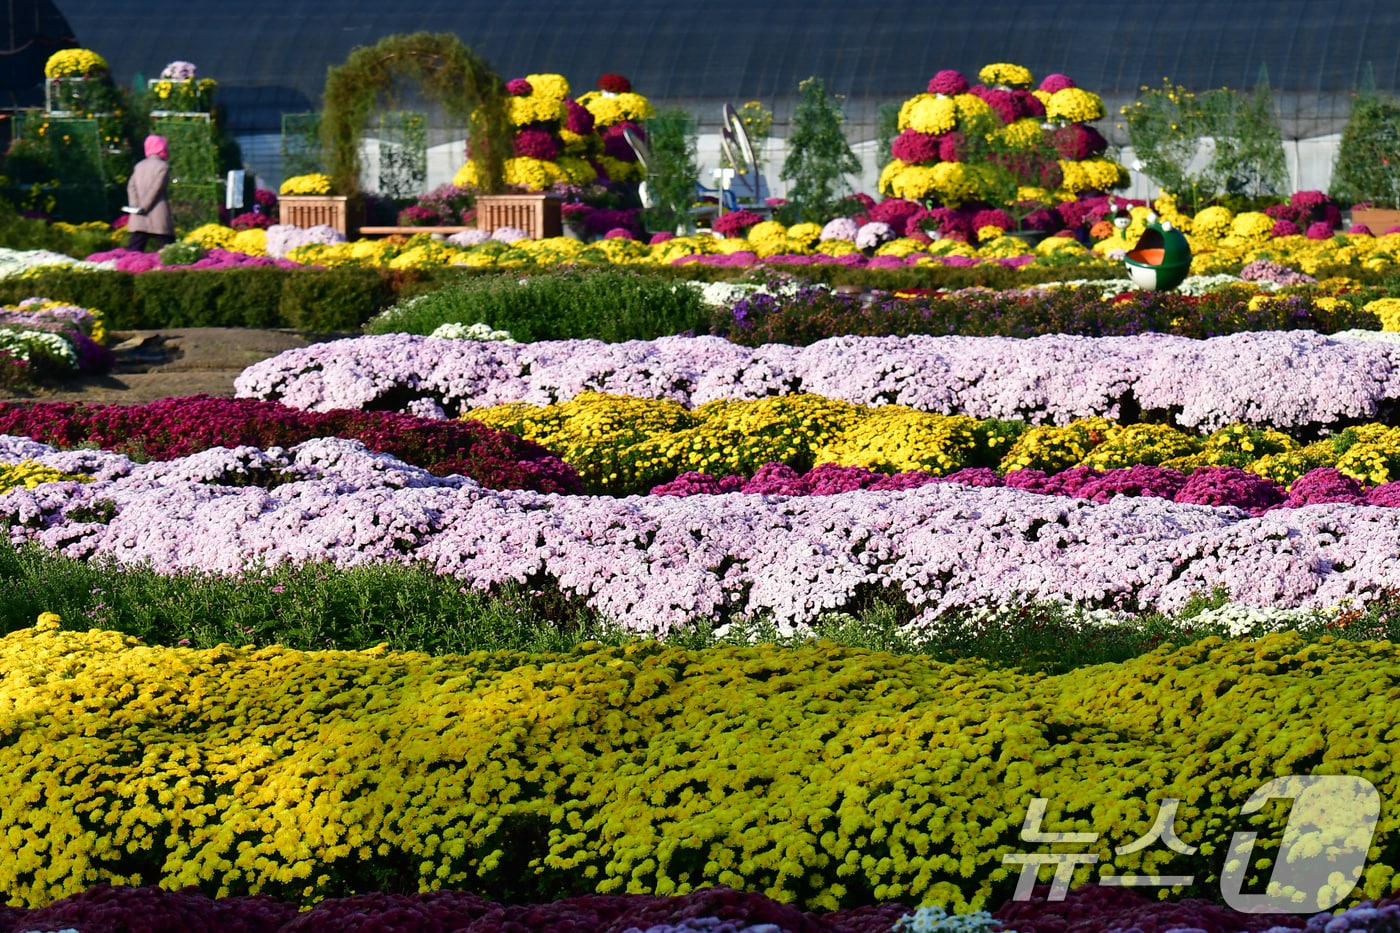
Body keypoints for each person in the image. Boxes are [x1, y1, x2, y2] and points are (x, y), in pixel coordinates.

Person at [126, 135, 174, 251]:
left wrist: (135, 206)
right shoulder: (163, 167)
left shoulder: (139, 166)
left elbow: (131, 186)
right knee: (169, 249)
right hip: (157, 213)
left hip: (139, 215)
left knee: (134, 249)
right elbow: (156, 189)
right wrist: (144, 206)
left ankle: (129, 269)